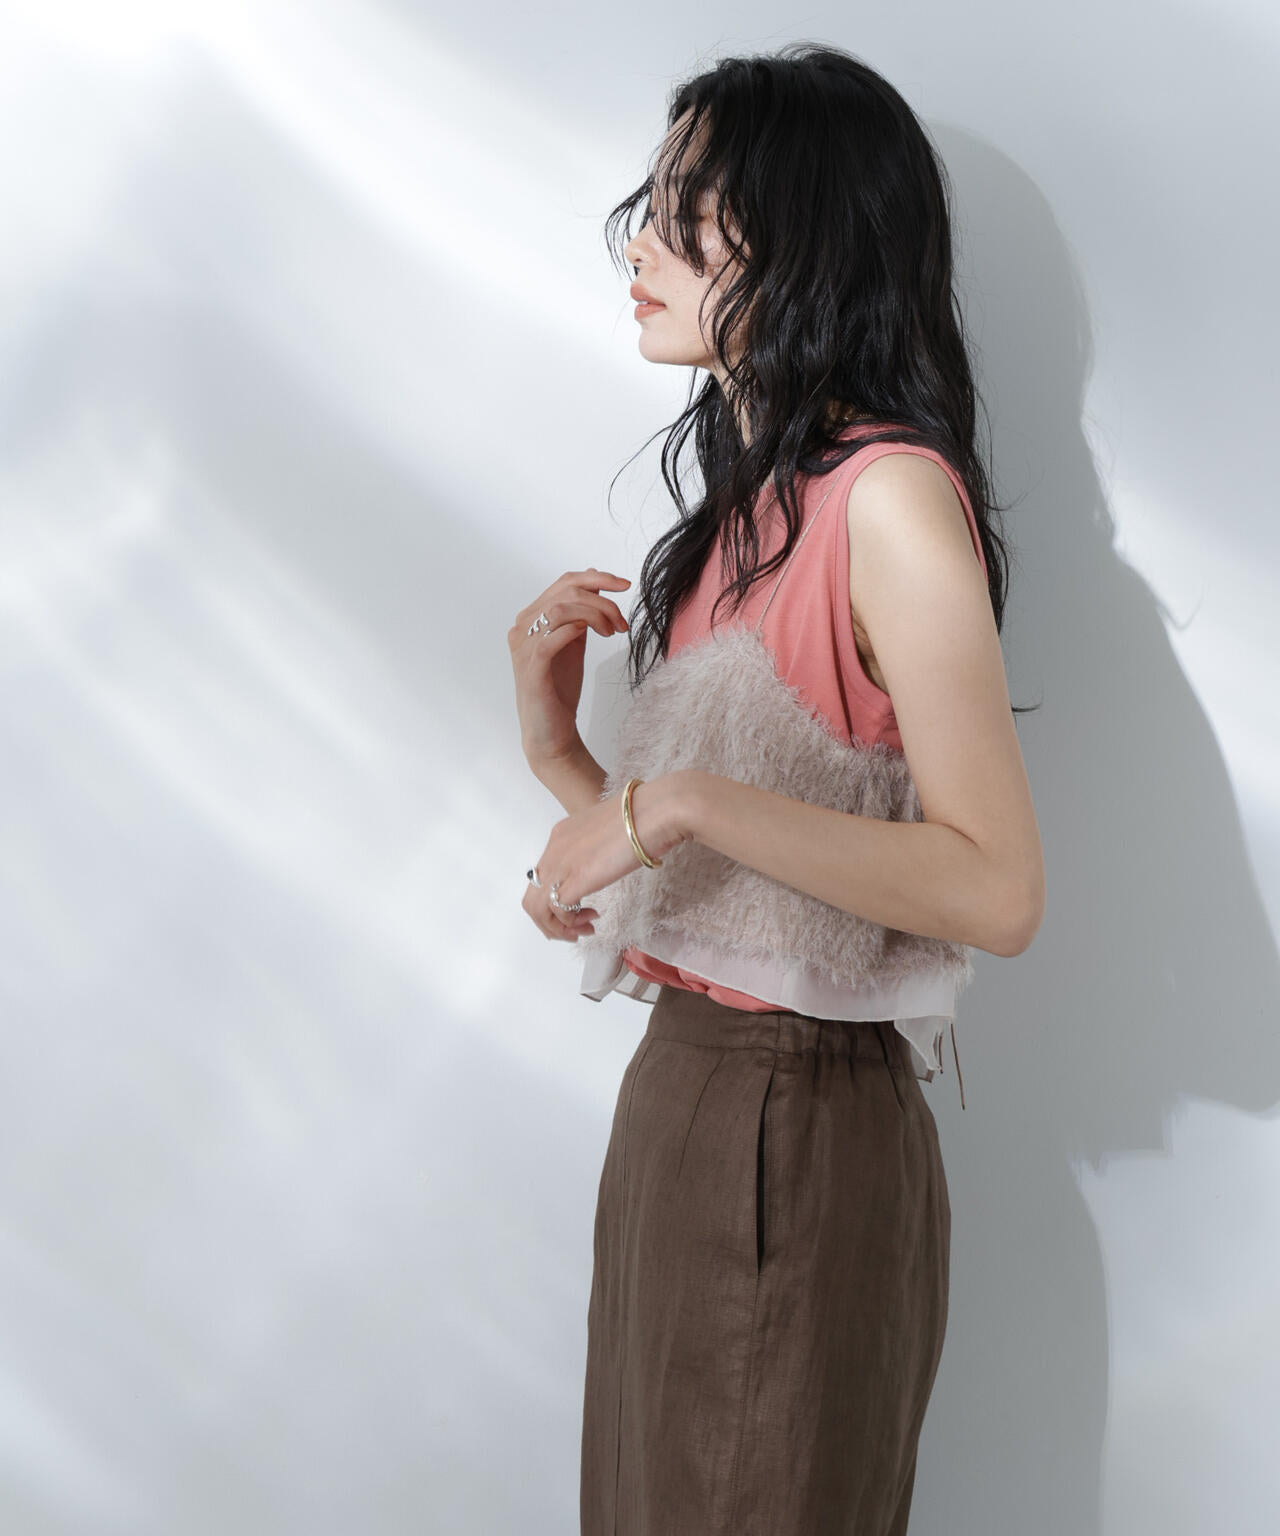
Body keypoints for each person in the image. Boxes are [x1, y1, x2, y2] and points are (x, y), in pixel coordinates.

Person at [507, 43, 1044, 1536]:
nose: (642, 245)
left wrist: (670, 802)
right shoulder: (753, 509)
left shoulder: (890, 497)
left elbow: (997, 886)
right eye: (651, 206)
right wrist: (560, 756)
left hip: (794, 1126)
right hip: (685, 1104)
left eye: (691, 211)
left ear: (808, 234)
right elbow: (742, 890)